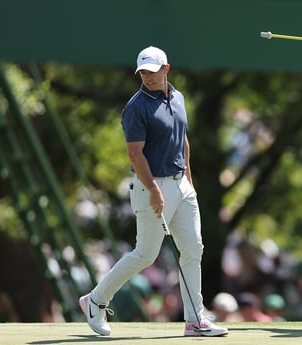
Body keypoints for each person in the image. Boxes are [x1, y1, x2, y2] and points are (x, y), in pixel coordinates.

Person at [78, 46, 228, 337]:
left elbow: (182, 139)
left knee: (193, 249)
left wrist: (189, 180)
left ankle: (195, 319)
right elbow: (135, 154)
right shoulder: (136, 107)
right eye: (143, 72)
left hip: (181, 185)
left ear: (166, 69)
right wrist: (154, 190)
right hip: (151, 186)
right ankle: (95, 300)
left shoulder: (179, 98)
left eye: (152, 70)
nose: (147, 76)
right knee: (145, 254)